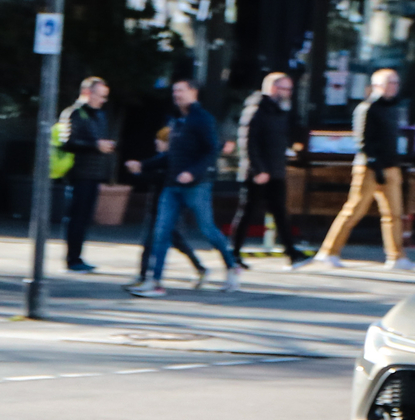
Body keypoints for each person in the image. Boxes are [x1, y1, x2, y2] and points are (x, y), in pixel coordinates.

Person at [127, 79, 246, 298]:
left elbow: (211, 151)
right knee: (161, 232)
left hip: (197, 186)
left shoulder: (202, 119)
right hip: (172, 186)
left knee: (208, 229)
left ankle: (231, 266)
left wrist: (192, 172)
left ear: (194, 92)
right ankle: (155, 282)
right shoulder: (177, 120)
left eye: (181, 90)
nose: (177, 94)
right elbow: (170, 156)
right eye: (174, 91)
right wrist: (143, 165)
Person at [299, 68, 415, 270]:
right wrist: (375, 164)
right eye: (390, 83)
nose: (394, 87)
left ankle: (396, 256)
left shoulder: (393, 108)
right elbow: (362, 141)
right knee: (354, 210)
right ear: (378, 85)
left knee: (394, 213)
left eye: (396, 83)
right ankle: (328, 251)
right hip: (369, 167)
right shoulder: (367, 108)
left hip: (391, 166)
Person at [229, 72, 306, 263]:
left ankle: (292, 253)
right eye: (284, 88)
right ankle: (234, 253)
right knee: (247, 213)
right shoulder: (256, 109)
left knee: (280, 212)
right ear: (272, 89)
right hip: (258, 172)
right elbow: (248, 142)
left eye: (290, 89)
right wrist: (258, 169)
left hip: (276, 171)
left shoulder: (280, 110)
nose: (288, 93)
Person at [127, 123, 212, 288]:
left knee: (150, 242)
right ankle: (200, 268)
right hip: (160, 207)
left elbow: (157, 178)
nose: (156, 143)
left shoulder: (170, 160)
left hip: (164, 208)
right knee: (177, 241)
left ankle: (144, 276)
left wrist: (138, 173)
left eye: (160, 140)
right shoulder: (165, 159)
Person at [56, 77, 118, 272]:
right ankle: (73, 259)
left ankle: (78, 256)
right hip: (79, 173)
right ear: (88, 93)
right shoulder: (74, 113)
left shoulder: (99, 115)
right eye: (100, 96)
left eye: (105, 97)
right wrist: (96, 146)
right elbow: (67, 143)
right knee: (77, 217)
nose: (103, 100)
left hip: (94, 173)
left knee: (85, 218)